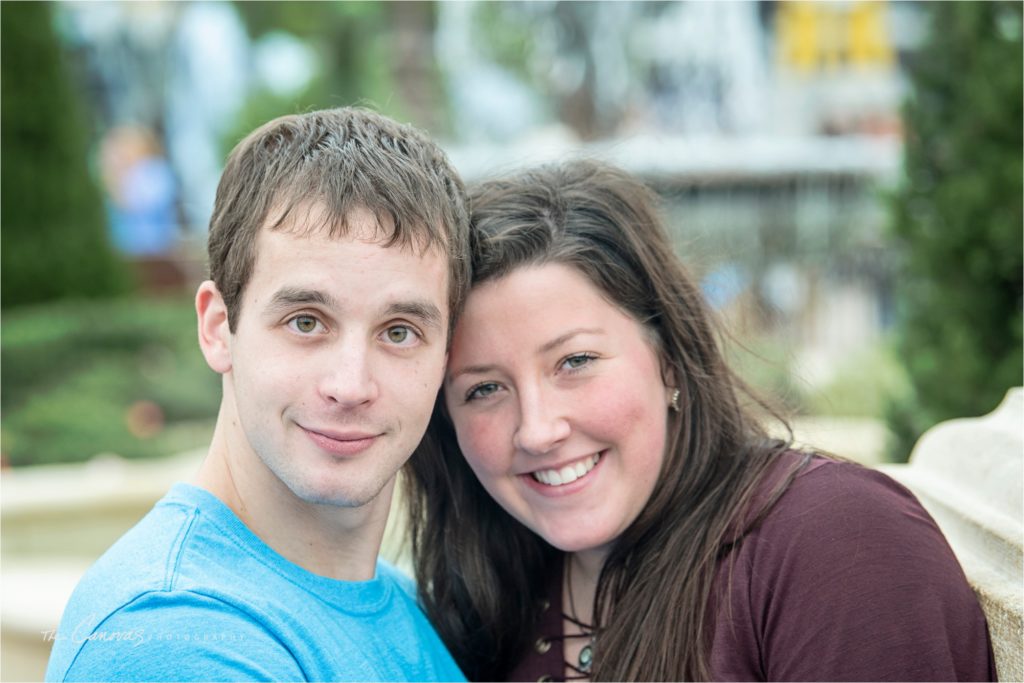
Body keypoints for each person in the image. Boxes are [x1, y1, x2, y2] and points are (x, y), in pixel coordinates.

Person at [405, 159, 995, 682]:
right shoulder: (489, 601)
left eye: (575, 361)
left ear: (668, 361)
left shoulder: (835, 540)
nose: (536, 429)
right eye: (484, 389)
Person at [46, 107, 469, 682]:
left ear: (445, 355)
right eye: (306, 321)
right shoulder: (174, 638)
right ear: (219, 327)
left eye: (399, 332)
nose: (350, 386)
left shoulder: (401, 602)